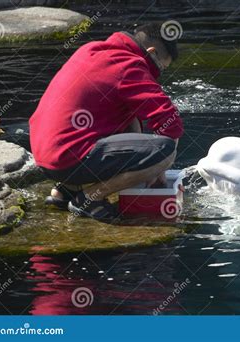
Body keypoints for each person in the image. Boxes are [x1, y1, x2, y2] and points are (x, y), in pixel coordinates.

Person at [29, 22, 183, 221]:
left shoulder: (90, 50)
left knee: (122, 122)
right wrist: (159, 167)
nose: (157, 75)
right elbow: (171, 122)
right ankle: (89, 199)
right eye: (160, 67)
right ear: (151, 52)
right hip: (69, 159)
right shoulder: (128, 64)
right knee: (166, 150)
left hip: (44, 156)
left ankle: (65, 190)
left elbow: (130, 119)